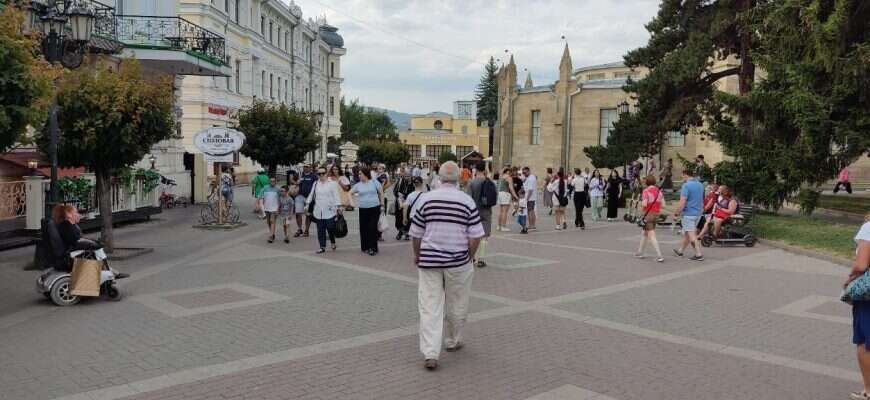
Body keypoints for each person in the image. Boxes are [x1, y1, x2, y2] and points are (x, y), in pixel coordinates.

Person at [409, 161, 484, 371]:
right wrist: (469, 255)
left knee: (429, 305)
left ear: (439, 178)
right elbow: (476, 236)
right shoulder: (466, 201)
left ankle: (430, 352)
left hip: (429, 260)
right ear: (459, 178)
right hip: (459, 261)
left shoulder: (426, 199)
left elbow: (416, 234)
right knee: (457, 301)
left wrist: (418, 254)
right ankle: (452, 340)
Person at [847, 212, 870, 400]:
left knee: (865, 340)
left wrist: (849, 279)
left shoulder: (868, 228)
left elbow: (861, 265)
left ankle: (869, 391)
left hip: (868, 295)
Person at [306, 167, 342, 254]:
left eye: (323, 173)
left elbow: (336, 196)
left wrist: (338, 207)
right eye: (319, 174)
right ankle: (322, 246)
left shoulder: (332, 183)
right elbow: (311, 195)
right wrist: (307, 204)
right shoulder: (315, 183)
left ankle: (332, 241)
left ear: (326, 173)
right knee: (320, 229)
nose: (321, 175)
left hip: (330, 210)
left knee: (330, 227)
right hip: (318, 210)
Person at [350, 166, 384, 256]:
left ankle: (373, 248)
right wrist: (352, 203)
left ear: (365, 174)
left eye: (360, 173)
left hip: (375, 208)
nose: (359, 175)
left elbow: (381, 192)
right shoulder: (358, 185)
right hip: (363, 209)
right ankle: (365, 247)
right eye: (358, 174)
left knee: (372, 228)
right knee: (364, 228)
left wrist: (382, 204)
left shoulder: (374, 182)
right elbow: (350, 193)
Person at [673, 168, 705, 261]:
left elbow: (683, 201)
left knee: (691, 234)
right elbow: (702, 199)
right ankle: (680, 251)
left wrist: (677, 212)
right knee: (688, 233)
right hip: (698, 213)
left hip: (688, 213)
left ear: (685, 174)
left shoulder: (686, 186)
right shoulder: (700, 185)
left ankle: (698, 254)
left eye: (682, 175)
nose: (682, 177)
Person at [467, 163, 494, 267]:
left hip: (474, 211)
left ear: (476, 169)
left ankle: (472, 257)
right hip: (487, 211)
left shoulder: (472, 182)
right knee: (484, 236)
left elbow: (468, 199)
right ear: (484, 170)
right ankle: (481, 259)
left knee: (472, 235)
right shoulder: (489, 182)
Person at [636, 175, 664, 262]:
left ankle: (660, 255)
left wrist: (640, 203)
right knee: (644, 233)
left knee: (651, 235)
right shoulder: (659, 191)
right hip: (656, 214)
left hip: (647, 214)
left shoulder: (646, 191)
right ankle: (640, 252)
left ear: (647, 182)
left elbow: (644, 204)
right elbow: (663, 204)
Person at [393, 167, 416, 240]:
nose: (407, 177)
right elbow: (395, 191)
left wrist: (406, 197)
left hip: (408, 204)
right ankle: (400, 232)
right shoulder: (400, 181)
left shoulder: (412, 183)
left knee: (407, 218)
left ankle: (406, 233)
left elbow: (413, 193)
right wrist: (399, 195)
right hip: (400, 203)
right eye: (406, 176)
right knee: (399, 218)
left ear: (411, 176)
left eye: (408, 176)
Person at [296, 165, 318, 237]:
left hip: (310, 198)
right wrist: (297, 182)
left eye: (307, 167)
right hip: (300, 196)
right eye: (304, 166)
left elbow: (317, 185)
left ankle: (306, 230)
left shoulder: (314, 176)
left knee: (308, 214)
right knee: (298, 213)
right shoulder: (300, 174)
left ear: (310, 168)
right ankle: (299, 229)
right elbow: (292, 180)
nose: (306, 168)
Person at [261, 177, 281, 243]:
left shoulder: (278, 189)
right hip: (267, 208)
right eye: (271, 181)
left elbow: (281, 199)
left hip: (274, 208)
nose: (272, 182)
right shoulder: (265, 188)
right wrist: (257, 204)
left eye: (274, 181)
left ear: (275, 182)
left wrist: (279, 209)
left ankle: (271, 236)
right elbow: (260, 196)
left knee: (272, 221)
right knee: (269, 222)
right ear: (269, 182)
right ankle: (272, 233)